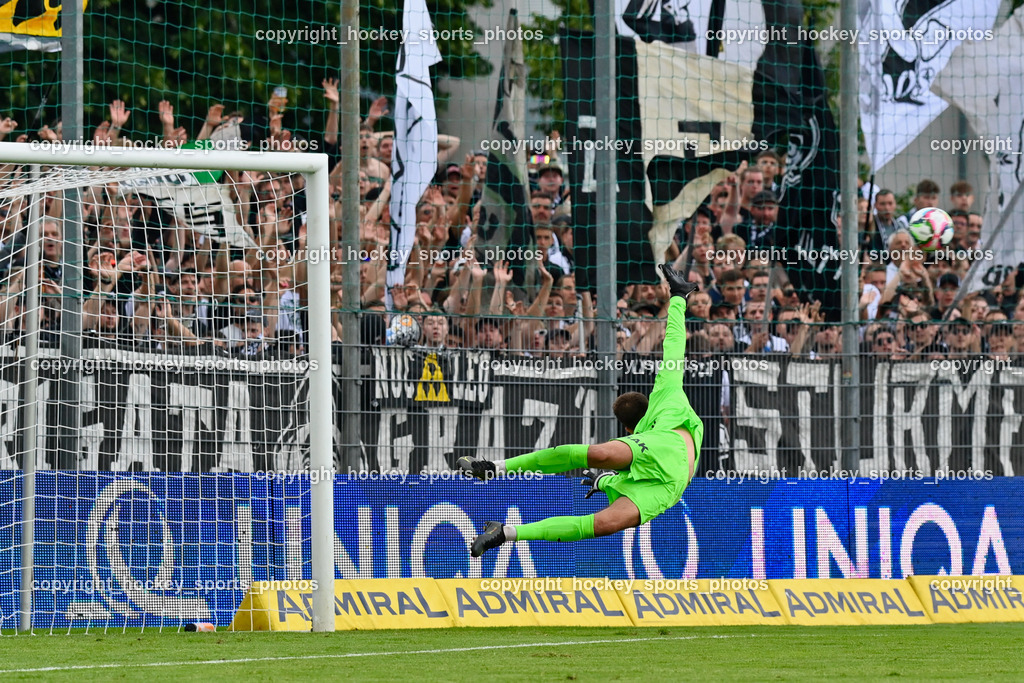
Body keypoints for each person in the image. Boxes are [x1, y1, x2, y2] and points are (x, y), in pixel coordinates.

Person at [458, 264, 702, 557]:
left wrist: (679, 296)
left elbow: (674, 346)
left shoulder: (665, 393)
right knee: (600, 456)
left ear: (627, 430)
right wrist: (677, 298)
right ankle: (494, 469)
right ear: (631, 433)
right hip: (668, 464)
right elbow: (674, 344)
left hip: (666, 482)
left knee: (604, 523)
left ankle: (505, 532)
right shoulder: (651, 424)